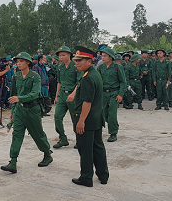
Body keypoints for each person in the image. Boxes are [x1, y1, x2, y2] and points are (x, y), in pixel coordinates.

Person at [1, 52, 53, 173]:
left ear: (28, 62)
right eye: (17, 62)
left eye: (21, 61)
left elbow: (35, 93)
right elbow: (13, 94)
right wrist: (13, 110)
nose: (18, 64)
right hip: (19, 110)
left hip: (32, 110)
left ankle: (47, 154)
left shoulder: (35, 76)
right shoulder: (16, 76)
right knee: (16, 135)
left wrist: (20, 98)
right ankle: (13, 162)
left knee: (38, 134)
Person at [70, 46, 109, 187]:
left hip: (87, 120)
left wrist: (81, 121)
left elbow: (87, 102)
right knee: (98, 147)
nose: (77, 63)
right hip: (96, 118)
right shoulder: (94, 73)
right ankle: (103, 175)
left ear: (89, 61)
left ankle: (86, 177)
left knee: (85, 149)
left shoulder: (88, 78)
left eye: (80, 60)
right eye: (76, 60)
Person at [53, 46, 81, 149]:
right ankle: (63, 139)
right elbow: (59, 82)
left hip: (73, 95)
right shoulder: (60, 66)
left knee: (75, 119)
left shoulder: (75, 66)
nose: (61, 57)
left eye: (63, 55)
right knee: (57, 117)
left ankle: (79, 140)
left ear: (69, 55)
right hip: (62, 95)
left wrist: (73, 94)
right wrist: (56, 96)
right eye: (60, 55)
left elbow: (79, 82)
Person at [97, 48, 126, 143]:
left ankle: (113, 133)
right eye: (102, 56)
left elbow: (123, 82)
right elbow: (98, 81)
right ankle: (114, 125)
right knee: (104, 114)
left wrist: (120, 94)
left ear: (111, 57)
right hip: (103, 94)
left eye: (105, 56)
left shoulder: (118, 67)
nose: (103, 58)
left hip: (114, 93)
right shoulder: (101, 67)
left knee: (112, 114)